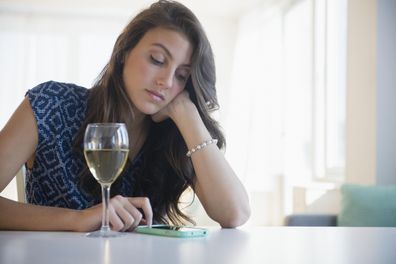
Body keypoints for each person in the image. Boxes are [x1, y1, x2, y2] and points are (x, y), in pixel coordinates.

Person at [0, 0, 250, 232]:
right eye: (157, 59)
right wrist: (79, 219)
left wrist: (188, 115)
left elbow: (235, 214)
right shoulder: (50, 104)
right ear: (124, 52)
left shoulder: (173, 135)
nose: (166, 81)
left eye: (182, 75)